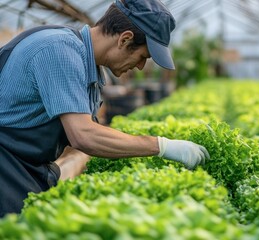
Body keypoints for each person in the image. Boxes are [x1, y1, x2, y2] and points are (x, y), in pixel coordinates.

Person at [0, 0, 210, 217]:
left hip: (25, 166)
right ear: (125, 39)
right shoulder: (59, 51)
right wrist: (161, 146)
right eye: (143, 57)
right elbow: (84, 136)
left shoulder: (87, 64)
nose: (140, 67)